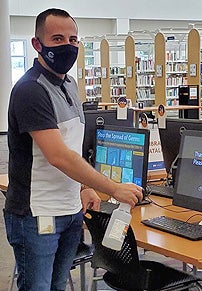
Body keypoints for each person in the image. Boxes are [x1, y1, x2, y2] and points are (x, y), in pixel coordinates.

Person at [4, 8, 143, 291]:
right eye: (57, 39)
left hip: (70, 210)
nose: (67, 46)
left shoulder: (70, 84)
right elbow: (58, 155)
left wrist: (83, 187)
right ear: (37, 44)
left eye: (73, 39)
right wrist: (113, 188)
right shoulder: (31, 90)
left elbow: (72, 147)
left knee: (57, 285)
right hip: (37, 213)